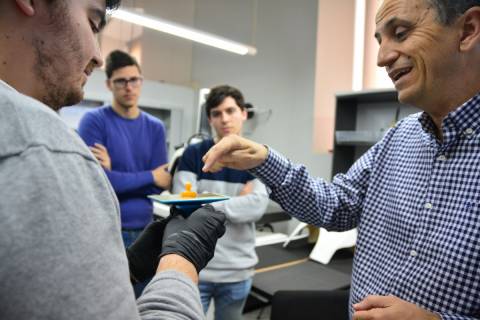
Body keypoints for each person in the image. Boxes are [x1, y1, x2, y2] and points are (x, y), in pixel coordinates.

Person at [202, 0, 480, 319]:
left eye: (400, 33)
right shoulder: (398, 138)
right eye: (378, 41)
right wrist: (263, 159)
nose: (381, 58)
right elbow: (336, 205)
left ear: (468, 30)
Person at [0, 1, 226, 319]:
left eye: (135, 80)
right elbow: (125, 180)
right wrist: (182, 260)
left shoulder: (152, 126)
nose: (96, 54)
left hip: (144, 227)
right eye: (93, 23)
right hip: (117, 228)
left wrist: (130, 265)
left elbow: (158, 181)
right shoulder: (50, 141)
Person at [172, 85, 269, 320]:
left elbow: (256, 207)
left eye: (230, 111)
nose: (224, 119)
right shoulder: (193, 155)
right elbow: (185, 206)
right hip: (197, 268)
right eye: (216, 113)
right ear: (210, 119)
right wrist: (236, 202)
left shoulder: (256, 158)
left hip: (237, 271)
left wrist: (204, 201)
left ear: (244, 113)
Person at [78, 50, 171, 249]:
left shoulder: (155, 127)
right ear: (109, 84)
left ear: (141, 81)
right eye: (121, 81)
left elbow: (162, 182)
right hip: (106, 229)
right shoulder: (94, 121)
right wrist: (150, 177)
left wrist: (113, 175)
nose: (129, 87)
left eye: (134, 80)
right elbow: (96, 181)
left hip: (146, 231)